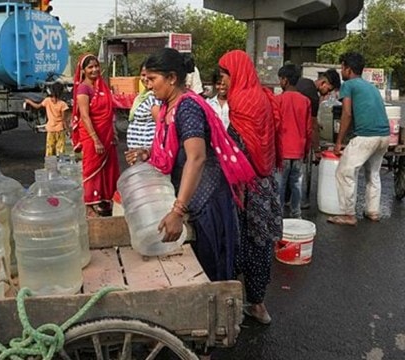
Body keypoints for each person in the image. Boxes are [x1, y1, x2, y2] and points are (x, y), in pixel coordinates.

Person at [125, 48, 256, 284]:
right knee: (196, 268)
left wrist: (177, 211)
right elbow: (176, 150)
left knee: (210, 272)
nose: (149, 85)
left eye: (153, 79)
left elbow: (196, 158)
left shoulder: (188, 108)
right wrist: (147, 153)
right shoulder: (168, 107)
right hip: (192, 200)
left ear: (172, 78)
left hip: (206, 202)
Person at [218, 50, 283, 325]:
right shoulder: (262, 97)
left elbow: (239, 149)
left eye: (225, 74)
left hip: (247, 189)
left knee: (238, 241)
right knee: (260, 244)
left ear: (236, 73)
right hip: (265, 183)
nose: (222, 80)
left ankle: (232, 306)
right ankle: (258, 304)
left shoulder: (242, 101)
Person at [327, 52, 390, 226]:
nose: (341, 70)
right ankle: (373, 211)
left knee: (344, 172)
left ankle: (348, 215)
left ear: (348, 69)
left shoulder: (349, 84)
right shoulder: (370, 86)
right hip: (384, 135)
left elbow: (347, 113)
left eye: (342, 67)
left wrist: (339, 142)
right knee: (373, 173)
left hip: (367, 136)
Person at [71, 54, 120, 217]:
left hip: (107, 135)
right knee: (92, 168)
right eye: (90, 67)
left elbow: (109, 111)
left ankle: (105, 200)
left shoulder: (103, 86)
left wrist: (113, 132)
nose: (94, 70)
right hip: (92, 135)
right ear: (83, 70)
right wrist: (96, 140)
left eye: (96, 66)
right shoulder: (83, 89)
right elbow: (85, 116)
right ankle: (89, 205)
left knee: (109, 167)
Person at [295, 68, 341, 209]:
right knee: (297, 172)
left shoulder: (303, 82)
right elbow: (313, 125)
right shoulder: (313, 98)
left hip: (286, 129)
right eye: (328, 89)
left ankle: (285, 199)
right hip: (297, 137)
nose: (327, 93)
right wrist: (316, 149)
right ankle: (299, 202)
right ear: (323, 82)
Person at [275, 64, 313, 219]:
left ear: (285, 80)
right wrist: (306, 150)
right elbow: (308, 129)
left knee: (280, 184)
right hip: (298, 149)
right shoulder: (305, 101)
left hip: (282, 150)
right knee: (296, 184)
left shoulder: (278, 100)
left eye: (280, 79)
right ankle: (296, 214)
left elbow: (274, 126)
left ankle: (278, 215)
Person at [24, 82, 70, 157]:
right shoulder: (63, 104)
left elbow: (37, 106)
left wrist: (29, 101)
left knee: (50, 151)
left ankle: (49, 166)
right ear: (61, 93)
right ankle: (59, 165)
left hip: (50, 129)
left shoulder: (47, 101)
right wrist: (68, 131)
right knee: (60, 152)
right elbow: (64, 120)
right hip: (60, 130)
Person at [126, 63, 160, 151]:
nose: (146, 78)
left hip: (148, 152)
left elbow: (160, 126)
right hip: (138, 152)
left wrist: (150, 151)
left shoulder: (154, 98)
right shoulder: (142, 96)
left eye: (150, 75)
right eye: (143, 75)